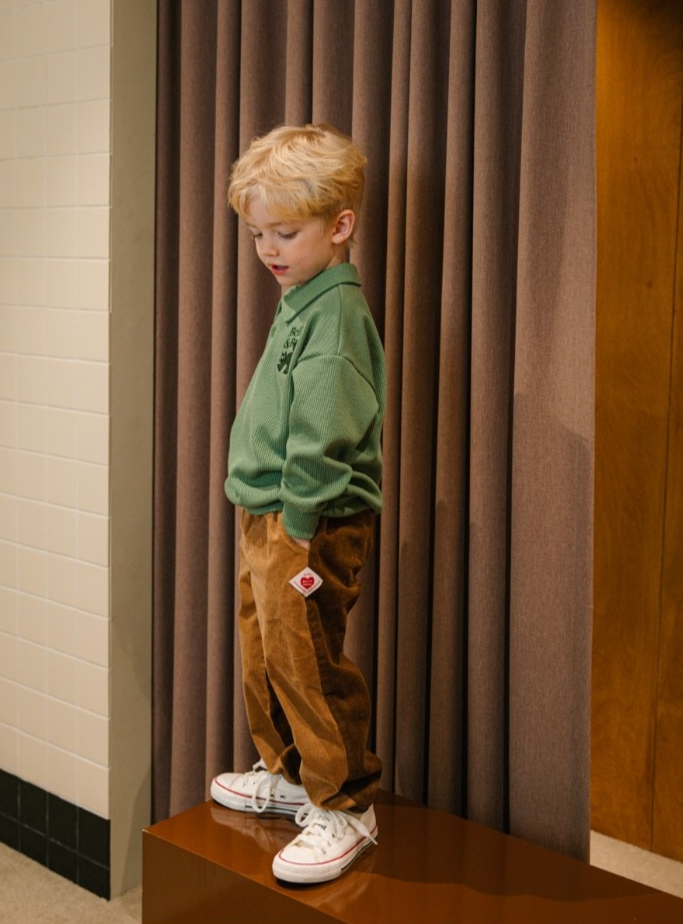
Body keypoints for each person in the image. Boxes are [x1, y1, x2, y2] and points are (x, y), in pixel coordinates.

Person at [211, 123, 386, 885]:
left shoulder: (337, 315)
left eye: (286, 231)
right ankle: (290, 774)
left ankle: (345, 803)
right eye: (257, 234)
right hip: (269, 512)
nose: (269, 250)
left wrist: (299, 527)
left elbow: (323, 429)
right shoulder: (300, 295)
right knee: (266, 652)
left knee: (308, 659)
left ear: (340, 226)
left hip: (305, 520)